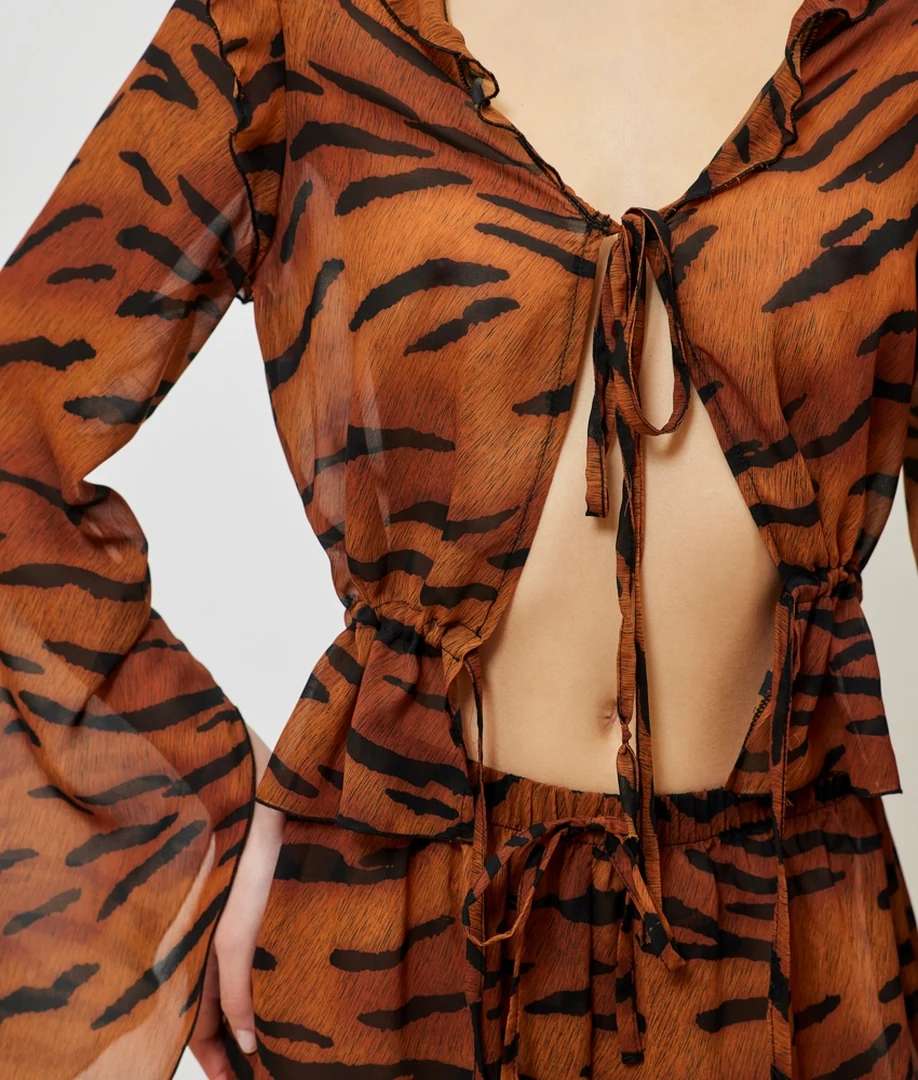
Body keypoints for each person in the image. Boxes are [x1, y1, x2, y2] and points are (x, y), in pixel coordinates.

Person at [2, 0, 917, 1077]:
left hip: (795, 944)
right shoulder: (296, 22)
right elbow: (17, 438)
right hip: (394, 941)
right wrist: (204, 809)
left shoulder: (893, 45)